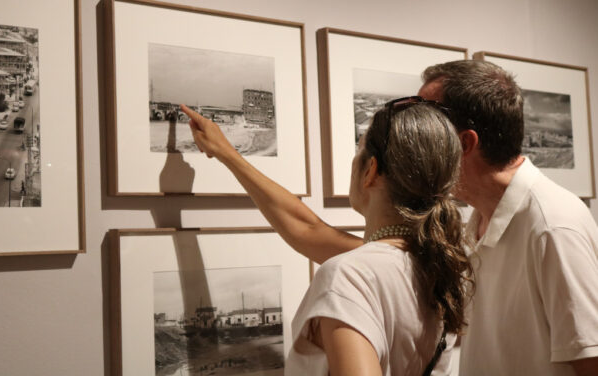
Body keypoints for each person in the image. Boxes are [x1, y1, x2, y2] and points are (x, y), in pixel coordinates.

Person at [181, 98, 474, 376]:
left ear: (370, 170)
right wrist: (228, 154)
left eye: (359, 151)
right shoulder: (435, 266)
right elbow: (308, 228)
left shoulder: (349, 275)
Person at [417, 60, 598, 375]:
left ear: (464, 143)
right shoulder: (480, 218)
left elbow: (591, 361)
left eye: (426, 128)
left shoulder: (552, 226)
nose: (416, 140)